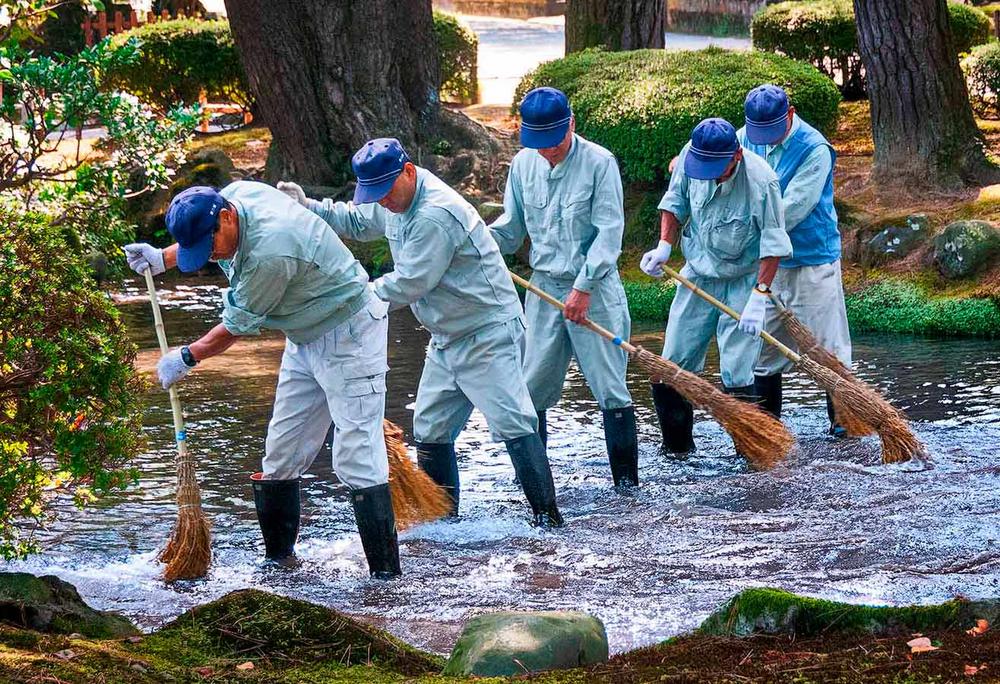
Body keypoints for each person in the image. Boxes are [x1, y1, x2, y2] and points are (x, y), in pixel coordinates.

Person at [279, 138, 563, 527]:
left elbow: (412, 281)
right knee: (430, 427)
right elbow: (359, 221)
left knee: (513, 423)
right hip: (446, 336)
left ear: (408, 172)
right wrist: (308, 207)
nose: (382, 203)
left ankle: (548, 521)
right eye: (373, 195)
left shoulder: (435, 214)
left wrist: (350, 300)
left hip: (486, 332)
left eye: (385, 192)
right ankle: (445, 524)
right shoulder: (394, 199)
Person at [123, 182, 401, 578]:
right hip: (303, 333)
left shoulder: (270, 254)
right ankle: (280, 566)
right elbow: (207, 245)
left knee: (356, 457)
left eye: (210, 245)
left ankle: (386, 581)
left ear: (227, 217)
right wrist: (162, 259)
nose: (212, 256)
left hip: (350, 332)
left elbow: (235, 326)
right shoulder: (233, 194)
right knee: (281, 455)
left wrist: (185, 358)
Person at [489, 86, 638, 488]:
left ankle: (627, 490)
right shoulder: (522, 165)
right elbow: (512, 227)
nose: (547, 151)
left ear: (571, 124)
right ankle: (536, 489)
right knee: (532, 387)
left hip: (596, 289)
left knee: (611, 389)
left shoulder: (599, 163)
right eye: (538, 144)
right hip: (544, 289)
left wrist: (584, 287)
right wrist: (475, 243)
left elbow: (609, 233)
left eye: (554, 142)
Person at [639, 118, 792, 454]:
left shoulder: (762, 182)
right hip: (698, 272)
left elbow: (774, 245)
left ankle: (751, 455)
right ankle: (678, 452)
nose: (707, 174)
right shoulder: (691, 157)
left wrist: (759, 296)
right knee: (672, 364)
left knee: (738, 370)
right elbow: (674, 202)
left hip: (743, 279)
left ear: (736, 155)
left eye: (716, 168)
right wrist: (665, 245)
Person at [737, 84, 852, 435]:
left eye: (772, 132)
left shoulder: (815, 149)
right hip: (768, 265)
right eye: (759, 133)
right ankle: (770, 433)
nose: (765, 141)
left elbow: (793, 209)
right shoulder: (746, 136)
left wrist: (741, 234)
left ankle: (845, 427)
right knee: (762, 352)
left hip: (810, 259)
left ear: (789, 114)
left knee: (828, 350)